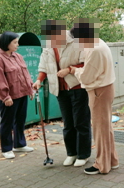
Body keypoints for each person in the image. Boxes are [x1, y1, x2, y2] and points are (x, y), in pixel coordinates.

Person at [33, 20, 90, 167]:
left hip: (77, 87)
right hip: (60, 89)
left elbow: (86, 63)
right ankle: (71, 153)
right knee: (68, 124)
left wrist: (69, 69)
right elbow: (44, 66)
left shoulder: (76, 43)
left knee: (80, 122)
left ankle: (83, 154)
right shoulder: (48, 46)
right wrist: (39, 80)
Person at [69, 21, 119, 175]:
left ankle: (102, 165)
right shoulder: (99, 43)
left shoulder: (94, 49)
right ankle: (112, 160)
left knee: (100, 130)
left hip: (99, 91)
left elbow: (86, 77)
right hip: (105, 88)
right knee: (106, 128)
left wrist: (73, 71)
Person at [0, 31, 35, 159]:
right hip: (8, 97)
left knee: (20, 120)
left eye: (17, 42)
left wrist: (30, 89)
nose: (17, 45)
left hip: (21, 93)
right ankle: (7, 148)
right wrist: (5, 96)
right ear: (6, 43)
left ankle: (19, 144)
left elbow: (25, 73)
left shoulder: (18, 56)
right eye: (15, 42)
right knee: (7, 122)